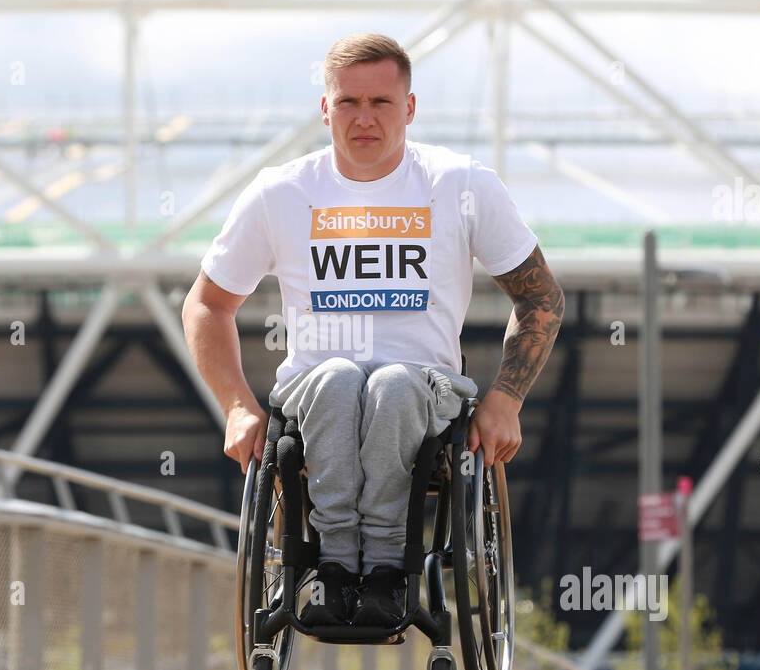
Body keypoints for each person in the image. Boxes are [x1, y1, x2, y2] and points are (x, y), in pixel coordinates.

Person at [182, 32, 563, 627]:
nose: (365, 118)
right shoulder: (281, 192)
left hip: (426, 390)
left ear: (409, 108)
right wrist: (236, 406)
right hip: (315, 388)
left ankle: (387, 570)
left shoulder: (461, 185)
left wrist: (506, 400)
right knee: (336, 378)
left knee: (392, 385)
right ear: (325, 108)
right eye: (348, 103)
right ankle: (336, 569)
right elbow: (206, 305)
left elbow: (540, 299)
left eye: (381, 103)